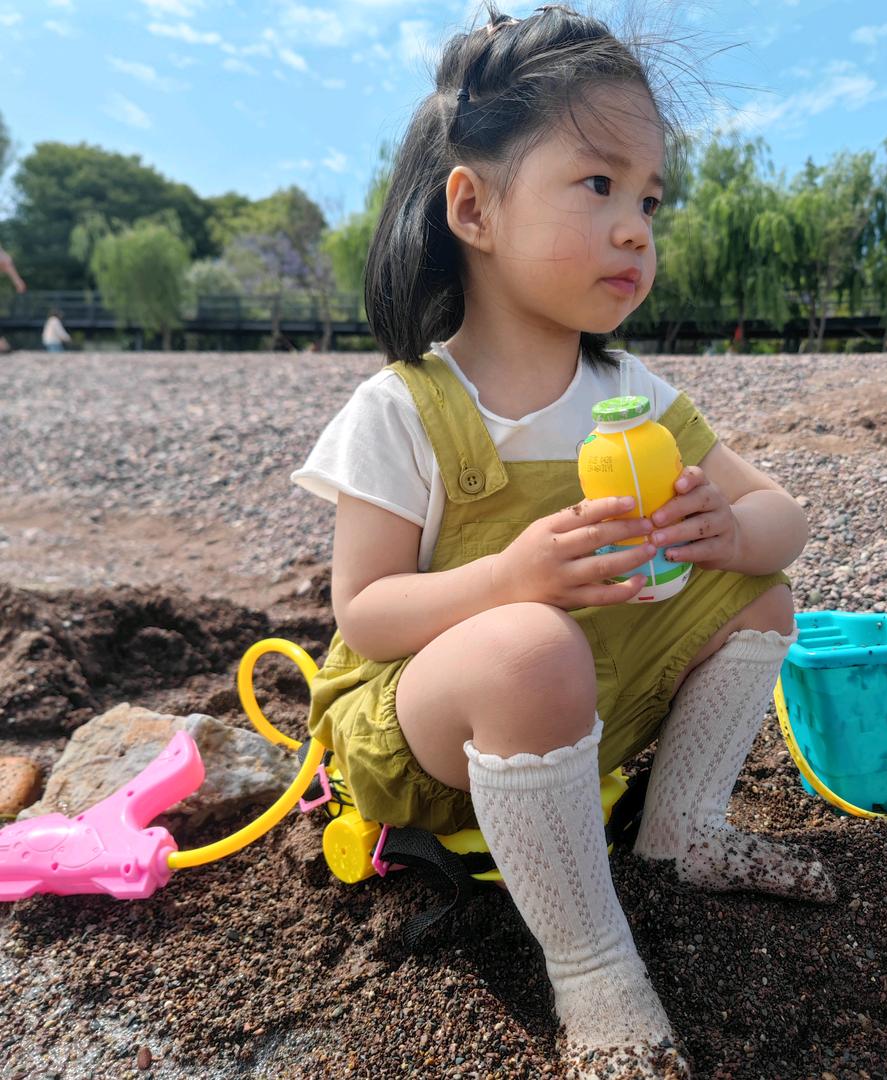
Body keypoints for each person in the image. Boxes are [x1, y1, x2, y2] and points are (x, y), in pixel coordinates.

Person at [291, 6, 834, 1076]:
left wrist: (728, 529)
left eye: (649, 199)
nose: (636, 229)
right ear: (473, 208)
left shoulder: (631, 394)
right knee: (530, 643)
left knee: (761, 594)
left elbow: (786, 524)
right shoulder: (405, 408)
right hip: (433, 737)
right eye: (598, 184)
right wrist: (507, 577)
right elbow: (367, 614)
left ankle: (681, 830)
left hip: (588, 713)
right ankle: (593, 972)